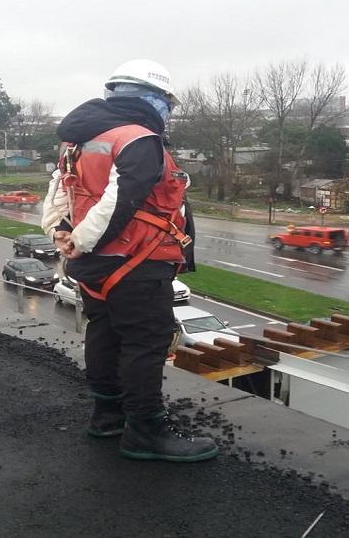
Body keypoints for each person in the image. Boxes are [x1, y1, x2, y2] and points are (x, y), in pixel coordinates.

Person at [41, 59, 217, 462]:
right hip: (137, 262)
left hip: (99, 264)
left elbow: (61, 189)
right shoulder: (138, 139)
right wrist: (79, 241)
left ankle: (108, 414)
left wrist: (60, 233)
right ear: (153, 99)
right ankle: (146, 430)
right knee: (146, 341)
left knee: (104, 331)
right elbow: (121, 199)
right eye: (166, 103)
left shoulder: (80, 138)